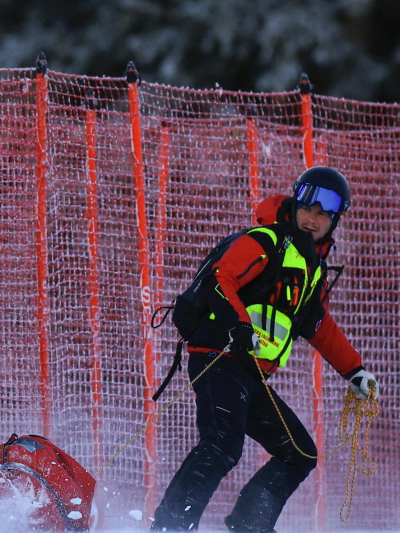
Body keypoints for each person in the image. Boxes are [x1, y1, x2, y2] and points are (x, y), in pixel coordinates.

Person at [150, 167, 379, 533]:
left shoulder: (311, 269)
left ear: (334, 221)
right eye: (308, 209)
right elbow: (218, 280)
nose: (313, 219)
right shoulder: (266, 241)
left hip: (250, 372)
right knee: (223, 445)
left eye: (324, 214)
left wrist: (355, 371)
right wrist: (239, 326)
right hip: (219, 357)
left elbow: (316, 324)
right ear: (295, 203)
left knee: (299, 453)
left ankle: (248, 525)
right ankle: (170, 527)